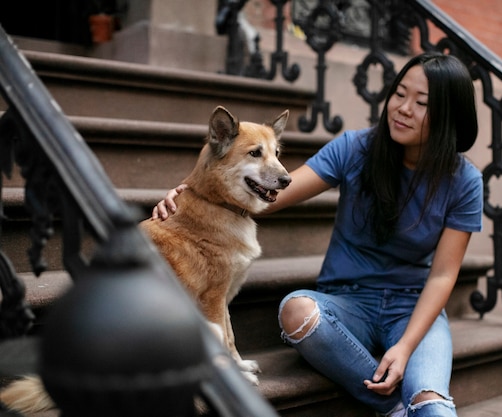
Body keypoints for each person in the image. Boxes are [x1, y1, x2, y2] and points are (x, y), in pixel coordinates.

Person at [153, 51, 483, 417]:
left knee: (432, 406)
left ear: (448, 116)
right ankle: (392, 407)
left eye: (421, 102)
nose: (403, 108)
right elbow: (266, 195)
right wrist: (186, 193)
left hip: (411, 307)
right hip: (345, 304)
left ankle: (411, 405)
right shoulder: (356, 148)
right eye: (399, 93)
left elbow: (442, 275)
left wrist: (405, 347)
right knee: (296, 310)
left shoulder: (464, 181)